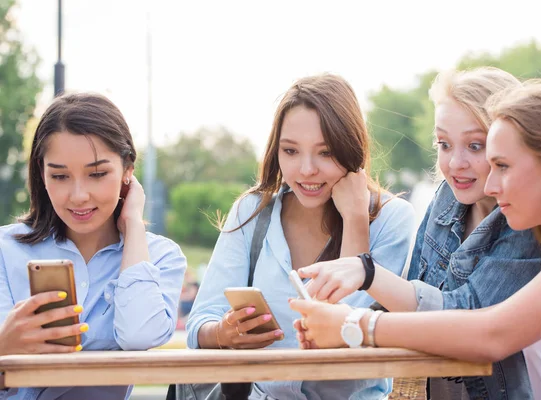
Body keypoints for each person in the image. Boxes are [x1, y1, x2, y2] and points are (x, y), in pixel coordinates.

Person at [291, 81, 541, 400]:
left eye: (502, 166)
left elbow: (492, 334)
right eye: (443, 144)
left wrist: (356, 325)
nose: (491, 186)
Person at [185, 74, 416, 400]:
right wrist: (225, 332)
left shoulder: (393, 219)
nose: (306, 170)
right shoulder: (252, 212)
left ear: (352, 150)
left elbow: (341, 336)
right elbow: (198, 327)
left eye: (325, 153)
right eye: (291, 151)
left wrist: (355, 220)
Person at [0, 93, 187, 400]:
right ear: (41, 173)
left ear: (128, 169)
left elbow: (140, 336)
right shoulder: (5, 249)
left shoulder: (161, 257)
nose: (78, 195)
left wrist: (134, 228)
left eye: (97, 174)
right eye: (59, 176)